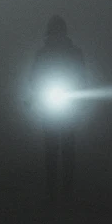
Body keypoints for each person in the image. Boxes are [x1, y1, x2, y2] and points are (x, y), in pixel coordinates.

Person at [29, 15, 85, 203]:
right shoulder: (43, 55)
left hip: (68, 105)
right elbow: (34, 77)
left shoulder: (74, 54)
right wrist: (37, 93)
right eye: (54, 32)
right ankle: (53, 192)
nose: (56, 35)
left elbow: (81, 76)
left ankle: (66, 192)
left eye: (57, 32)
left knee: (66, 150)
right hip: (51, 105)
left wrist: (78, 97)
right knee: (52, 150)